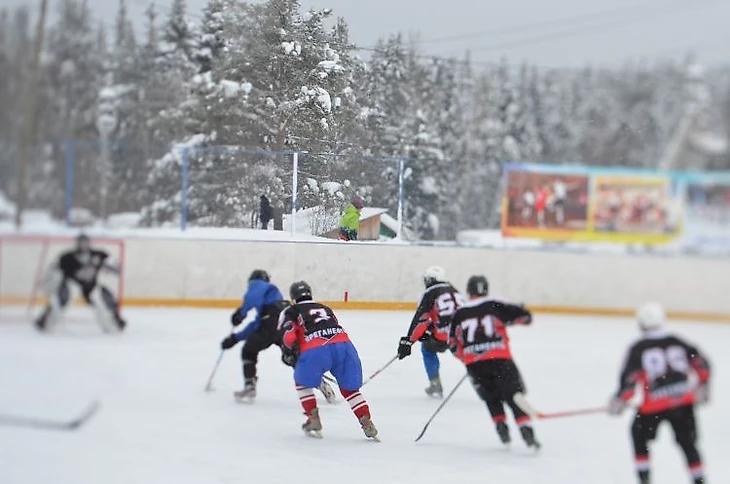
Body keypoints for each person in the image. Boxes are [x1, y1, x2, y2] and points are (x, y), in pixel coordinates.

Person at [608, 302, 710, 484]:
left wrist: (620, 400)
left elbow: (630, 379)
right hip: (683, 403)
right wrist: (703, 385)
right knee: (689, 444)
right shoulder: (678, 342)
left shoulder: (639, 348)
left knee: (638, 437)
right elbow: (701, 363)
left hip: (653, 407)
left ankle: (644, 478)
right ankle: (699, 480)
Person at [279, 281, 378, 440]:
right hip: (344, 345)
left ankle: (313, 419)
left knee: (302, 383)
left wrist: (290, 351)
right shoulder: (324, 308)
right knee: (349, 389)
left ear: (293, 297)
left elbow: (289, 337)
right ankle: (366, 420)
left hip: (316, 348)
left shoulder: (291, 311)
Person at [449, 275, 539, 449]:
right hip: (500, 359)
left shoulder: (459, 313)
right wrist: (522, 314)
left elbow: (452, 344)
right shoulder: (495, 303)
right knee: (513, 394)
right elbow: (524, 317)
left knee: (491, 397)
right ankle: (525, 428)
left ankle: (500, 426)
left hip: (474, 364)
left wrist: (467, 358)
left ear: (468, 291)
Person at [220, 270, 336, 403]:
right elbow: (259, 323)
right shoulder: (275, 295)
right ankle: (318, 381)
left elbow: (257, 313)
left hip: (270, 324)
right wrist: (236, 337)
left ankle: (249, 385)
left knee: (248, 350)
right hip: (284, 322)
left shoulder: (257, 286)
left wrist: (240, 315)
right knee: (292, 357)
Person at [34, 233, 125, 333]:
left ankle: (115, 321)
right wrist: (45, 281)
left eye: (85, 242)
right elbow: (53, 269)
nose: (84, 245)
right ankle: (45, 320)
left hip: (91, 285)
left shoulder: (98, 255)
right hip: (71, 284)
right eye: (81, 243)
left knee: (105, 298)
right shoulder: (67, 257)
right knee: (60, 300)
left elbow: (114, 265)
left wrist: (114, 269)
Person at [396, 266, 463, 398]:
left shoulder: (429, 293)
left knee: (427, 349)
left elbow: (422, 319)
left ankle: (435, 383)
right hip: (462, 334)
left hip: (442, 336)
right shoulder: (455, 291)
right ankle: (486, 379)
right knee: (469, 355)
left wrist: (408, 341)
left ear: (430, 280)